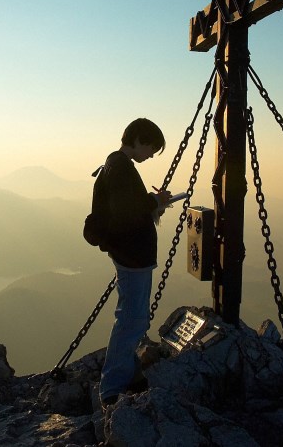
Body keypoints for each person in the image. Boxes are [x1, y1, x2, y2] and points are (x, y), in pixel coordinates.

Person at [98, 118, 171, 408]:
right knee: (131, 319)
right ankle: (112, 388)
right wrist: (154, 202)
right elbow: (125, 211)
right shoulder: (121, 168)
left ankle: (127, 374)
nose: (151, 155)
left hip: (129, 254)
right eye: (152, 148)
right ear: (139, 139)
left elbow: (126, 206)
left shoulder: (116, 165)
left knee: (132, 316)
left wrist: (153, 201)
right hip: (133, 256)